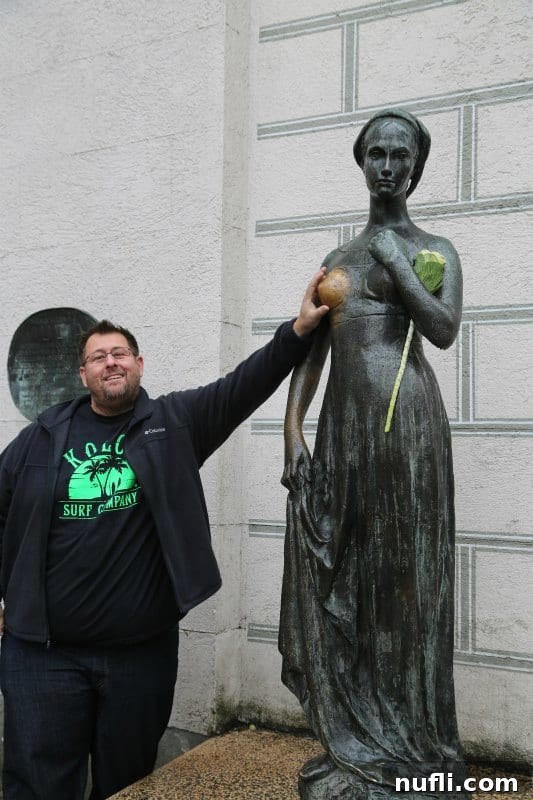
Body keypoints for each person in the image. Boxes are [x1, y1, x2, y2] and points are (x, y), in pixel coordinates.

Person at [0, 271, 329, 800]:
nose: (111, 361)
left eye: (121, 353)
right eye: (99, 356)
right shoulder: (40, 438)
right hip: (43, 657)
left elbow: (244, 383)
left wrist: (298, 331)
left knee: (128, 784)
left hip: (138, 657)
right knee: (37, 786)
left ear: (139, 365)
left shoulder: (174, 423)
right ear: (82, 374)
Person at [280, 109, 468, 798]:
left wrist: (398, 266)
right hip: (343, 429)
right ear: (360, 163)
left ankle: (415, 748)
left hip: (407, 431)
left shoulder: (435, 247)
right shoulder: (337, 260)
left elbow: (442, 329)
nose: (386, 166)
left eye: (399, 155)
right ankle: (355, 737)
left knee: (404, 585)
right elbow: (312, 346)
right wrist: (292, 428)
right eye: (375, 154)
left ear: (414, 166)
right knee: (349, 580)